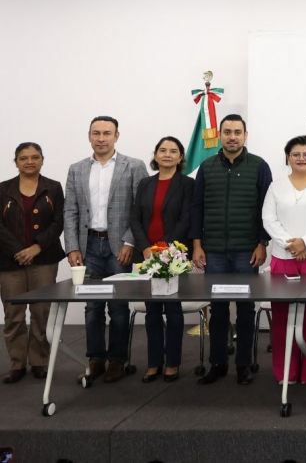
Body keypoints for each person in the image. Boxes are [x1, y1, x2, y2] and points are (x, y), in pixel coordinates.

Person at [191, 114, 273, 385]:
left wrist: (262, 243)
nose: (232, 136)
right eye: (227, 132)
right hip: (213, 251)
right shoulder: (207, 166)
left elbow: (267, 208)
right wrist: (197, 245)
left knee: (246, 310)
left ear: (245, 135)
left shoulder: (259, 167)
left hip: (247, 251)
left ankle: (244, 364)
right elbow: (197, 208)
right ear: (220, 135)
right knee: (218, 310)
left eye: (237, 132)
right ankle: (218, 363)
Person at [64, 116, 147, 384]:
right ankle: (96, 359)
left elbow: (140, 209)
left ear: (117, 136)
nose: (101, 138)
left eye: (107, 133)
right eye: (96, 133)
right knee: (92, 307)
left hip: (119, 247)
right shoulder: (76, 169)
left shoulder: (133, 166)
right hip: (88, 247)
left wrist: (130, 241)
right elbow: (71, 210)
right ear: (89, 136)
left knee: (119, 307)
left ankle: (117, 361)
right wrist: (72, 247)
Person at [262, 135, 306, 385]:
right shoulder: (276, 186)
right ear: (288, 158)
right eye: (296, 154)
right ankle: (287, 373)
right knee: (282, 317)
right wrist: (290, 244)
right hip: (284, 258)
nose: (301, 158)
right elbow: (268, 219)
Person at [129, 136, 194, 383]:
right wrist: (146, 248)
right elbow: (134, 218)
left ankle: (173, 363)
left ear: (180, 157)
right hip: (147, 256)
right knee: (152, 312)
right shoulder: (145, 183)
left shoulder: (187, 184)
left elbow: (186, 219)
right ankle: (154, 362)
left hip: (173, 254)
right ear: (155, 155)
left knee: (174, 311)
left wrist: (163, 247)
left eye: (173, 151)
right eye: (163, 150)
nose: (167, 154)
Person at [0, 143, 64, 383]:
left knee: (41, 313)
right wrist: (18, 250)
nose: (29, 161)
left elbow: (58, 223)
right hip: (9, 261)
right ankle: (17, 364)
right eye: (23, 158)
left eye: (35, 157)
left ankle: (39, 361)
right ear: (15, 161)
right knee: (13, 314)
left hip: (44, 260)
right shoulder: (2, 189)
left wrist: (37, 247)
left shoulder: (53, 188)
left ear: (42, 160)